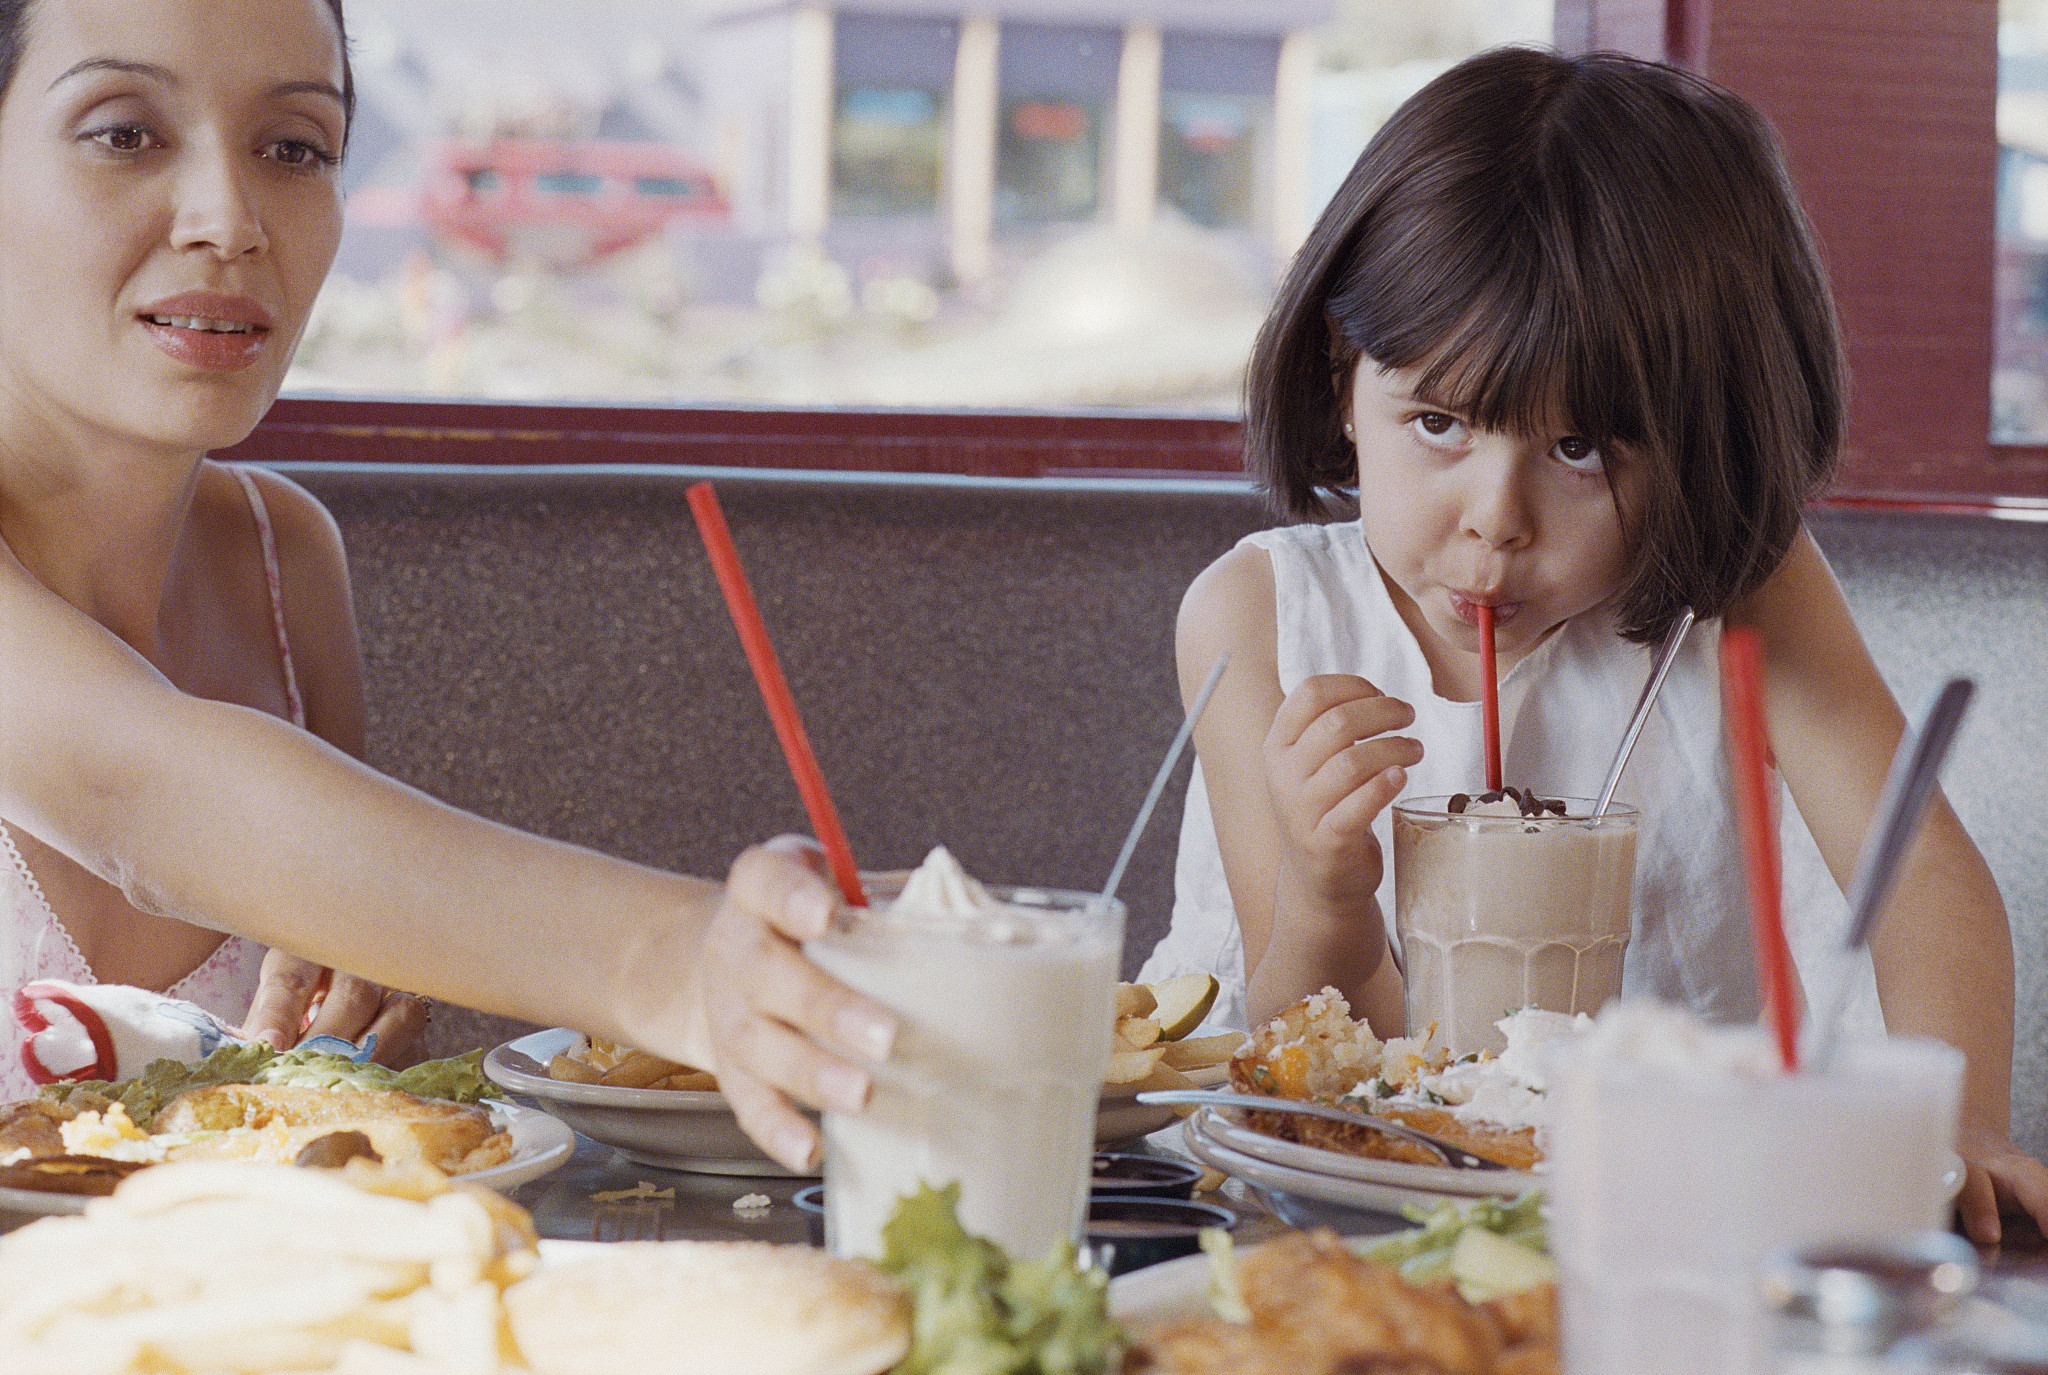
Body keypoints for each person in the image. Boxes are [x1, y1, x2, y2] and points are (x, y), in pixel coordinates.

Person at [1137, 47, 2048, 1241]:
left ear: (1703, 436)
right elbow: (1310, 1041)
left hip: (1662, 1210)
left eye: (1581, 452)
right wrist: (1328, 886)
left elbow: (1920, 878)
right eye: (1437, 422)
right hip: (1308, 1217)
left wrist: (1963, 1120)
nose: (1495, 519)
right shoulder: (1258, 618)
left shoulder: (1740, 593)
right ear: (1337, 375)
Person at [0, 0, 883, 1174]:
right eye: (124, 133)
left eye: (294, 148)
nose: (230, 220)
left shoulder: (285, 561)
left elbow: (311, 953)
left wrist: (348, 1015)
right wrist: (675, 957)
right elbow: (141, 793)